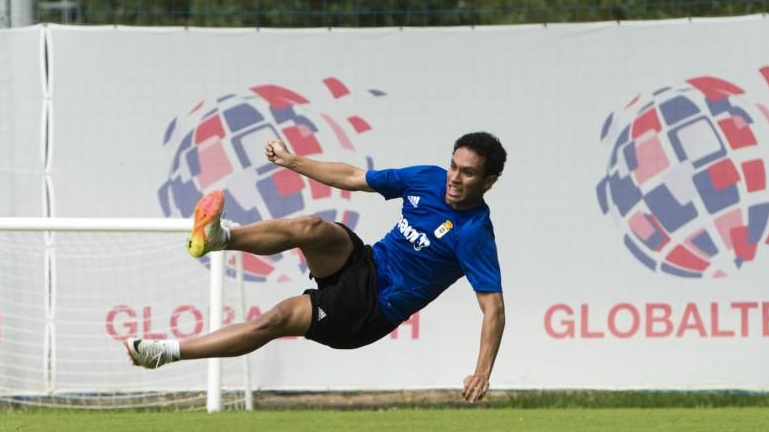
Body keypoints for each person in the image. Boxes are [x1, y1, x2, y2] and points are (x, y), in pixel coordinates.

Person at [124, 131, 506, 403]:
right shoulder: (428, 179)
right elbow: (354, 177)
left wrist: (482, 371)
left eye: (467, 173)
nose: (454, 178)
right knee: (310, 227)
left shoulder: (474, 234)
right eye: (454, 166)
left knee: (274, 319)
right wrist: (293, 162)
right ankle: (219, 239)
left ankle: (166, 352)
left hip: (371, 308)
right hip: (366, 262)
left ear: (489, 181)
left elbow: (493, 309)